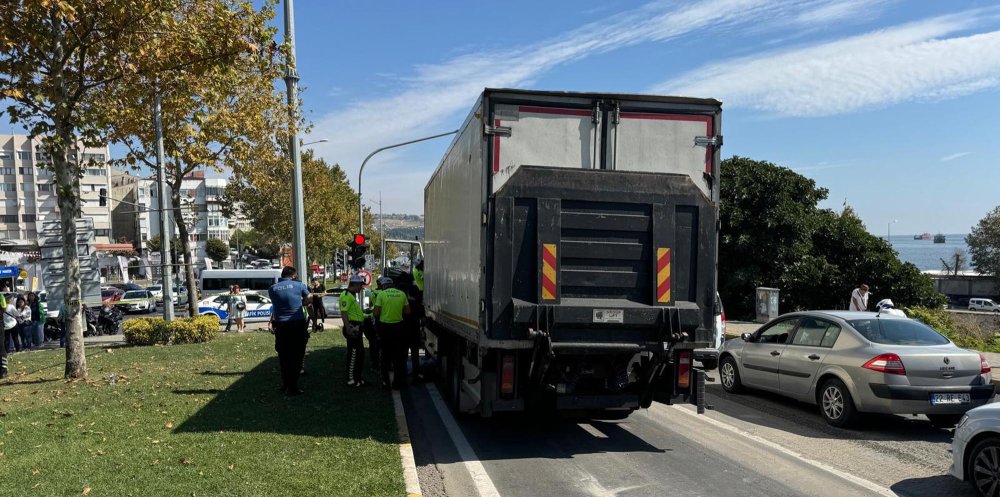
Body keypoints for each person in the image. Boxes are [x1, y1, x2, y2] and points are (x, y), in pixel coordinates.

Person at [267, 266, 311, 395]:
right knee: (297, 355)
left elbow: (276, 305)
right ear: (293, 275)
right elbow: (309, 298)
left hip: (281, 325)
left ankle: (285, 383)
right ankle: (293, 387)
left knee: (284, 355)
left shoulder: (272, 289)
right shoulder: (299, 285)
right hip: (297, 323)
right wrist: (303, 303)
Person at [373, 277, 410, 390]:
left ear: (383, 286)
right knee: (397, 357)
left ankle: (385, 383)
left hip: (385, 328)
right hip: (398, 328)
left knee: (385, 357)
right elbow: (407, 312)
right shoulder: (402, 294)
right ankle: (397, 383)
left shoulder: (382, 295)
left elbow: (376, 313)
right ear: (393, 284)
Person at [339, 275, 367, 387]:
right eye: (360, 285)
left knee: (360, 353)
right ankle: (351, 379)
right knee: (354, 354)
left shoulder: (352, 295)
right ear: (354, 285)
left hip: (357, 327)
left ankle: (358, 378)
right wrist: (348, 327)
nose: (361, 288)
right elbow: (344, 312)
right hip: (352, 327)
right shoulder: (346, 295)